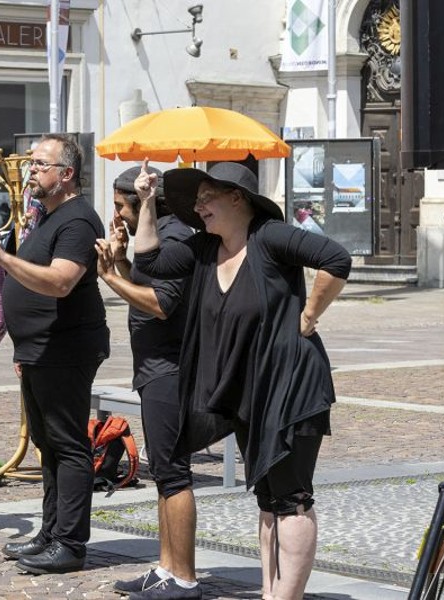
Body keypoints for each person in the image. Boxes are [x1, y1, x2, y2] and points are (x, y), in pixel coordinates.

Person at [133, 160, 351, 600]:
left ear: (238, 198)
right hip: (252, 392)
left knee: (291, 498)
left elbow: (335, 258)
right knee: (267, 499)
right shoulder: (202, 249)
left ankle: (287, 597)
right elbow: (150, 259)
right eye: (196, 200)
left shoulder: (268, 237)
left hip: (291, 385)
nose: (199, 205)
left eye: (206, 196)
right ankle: (272, 593)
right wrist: (145, 203)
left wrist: (309, 314)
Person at [0, 134, 109, 575]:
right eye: (31, 164)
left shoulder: (78, 221)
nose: (30, 170)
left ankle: (70, 544)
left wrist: (1, 258)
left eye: (39, 164)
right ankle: (51, 533)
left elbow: (59, 282)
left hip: (66, 349)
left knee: (68, 445)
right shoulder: (45, 217)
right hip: (37, 350)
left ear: (66, 174)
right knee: (46, 444)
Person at [94, 166, 200, 599]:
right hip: (153, 368)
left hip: (170, 371)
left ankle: (185, 577)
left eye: (121, 207)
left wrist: (110, 277)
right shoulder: (151, 236)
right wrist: (120, 259)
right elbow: (145, 280)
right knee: (164, 473)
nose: (116, 215)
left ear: (142, 203)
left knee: (174, 473)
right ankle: (166, 568)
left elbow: (161, 303)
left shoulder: (172, 239)